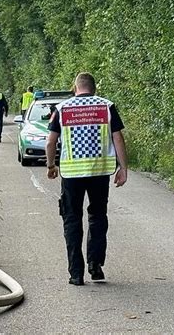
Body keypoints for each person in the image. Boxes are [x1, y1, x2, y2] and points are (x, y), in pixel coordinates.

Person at [45, 72, 128, 286]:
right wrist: (123, 168)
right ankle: (95, 265)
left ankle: (76, 273)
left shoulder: (62, 109)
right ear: (94, 88)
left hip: (72, 174)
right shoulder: (106, 106)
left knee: (72, 219)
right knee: (98, 216)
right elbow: (117, 137)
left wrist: (51, 165)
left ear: (75, 87)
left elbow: (50, 142)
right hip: (100, 172)